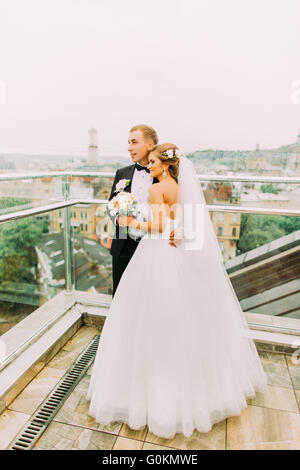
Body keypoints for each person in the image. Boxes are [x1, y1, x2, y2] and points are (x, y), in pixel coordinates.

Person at [87, 143, 268, 439]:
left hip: (157, 253)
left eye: (155, 162)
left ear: (166, 165)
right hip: (178, 253)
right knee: (185, 320)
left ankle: (153, 392)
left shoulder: (158, 189)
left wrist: (129, 220)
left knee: (150, 320)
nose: (151, 166)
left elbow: (157, 226)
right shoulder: (180, 187)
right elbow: (180, 222)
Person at [108, 124, 177, 297]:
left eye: (134, 142)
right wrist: (119, 220)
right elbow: (111, 204)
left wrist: (178, 229)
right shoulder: (121, 173)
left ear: (149, 144)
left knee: (149, 297)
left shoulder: (166, 177)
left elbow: (177, 207)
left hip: (153, 247)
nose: (129, 147)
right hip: (123, 244)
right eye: (128, 143)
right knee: (120, 296)